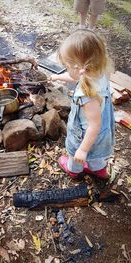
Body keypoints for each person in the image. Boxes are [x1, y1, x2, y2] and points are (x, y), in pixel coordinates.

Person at [51, 29, 115, 180]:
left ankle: (74, 170)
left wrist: (83, 150)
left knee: (76, 154)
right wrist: (58, 77)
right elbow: (75, 76)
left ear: (79, 69)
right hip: (100, 135)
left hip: (85, 136)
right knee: (97, 154)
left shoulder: (88, 95)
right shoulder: (99, 72)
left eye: (66, 67)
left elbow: (94, 126)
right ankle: (98, 170)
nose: (66, 69)